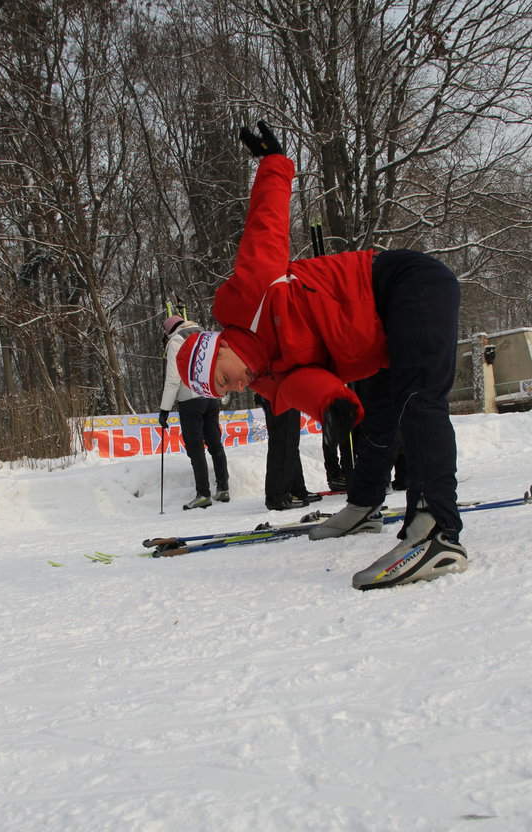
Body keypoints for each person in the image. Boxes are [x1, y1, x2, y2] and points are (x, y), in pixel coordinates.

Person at [175, 121, 467, 589]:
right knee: (378, 418)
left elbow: (265, 222)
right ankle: (365, 504)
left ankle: (437, 530)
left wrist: (273, 162)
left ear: (219, 348)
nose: (235, 389)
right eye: (224, 392)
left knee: (419, 400)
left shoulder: (250, 293)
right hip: (382, 340)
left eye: (224, 379)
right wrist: (335, 406)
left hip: (403, 284)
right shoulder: (266, 376)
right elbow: (304, 384)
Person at [159, 315, 230, 510]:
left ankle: (203, 494)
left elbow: (174, 378)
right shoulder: (204, 334)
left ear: (169, 331)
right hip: (211, 395)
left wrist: (165, 409)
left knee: (195, 447)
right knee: (215, 443)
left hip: (190, 399)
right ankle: (223, 488)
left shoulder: (176, 340)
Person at [255, 394, 322, 510]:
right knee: (283, 441)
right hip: (279, 391)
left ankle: (295, 488)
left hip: (285, 390)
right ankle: (277, 496)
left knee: (291, 442)